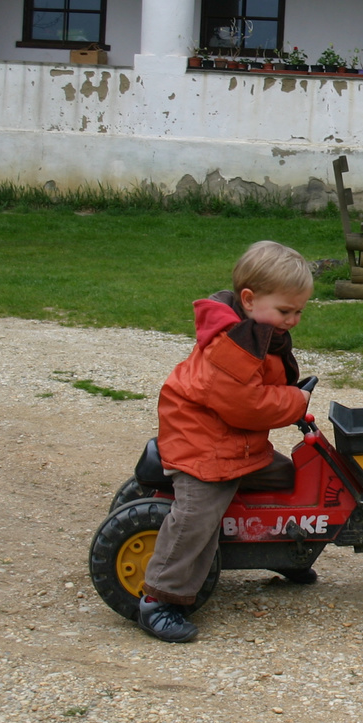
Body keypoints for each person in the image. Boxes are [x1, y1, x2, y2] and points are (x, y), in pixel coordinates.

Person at [137, 240, 314, 643]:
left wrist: (288, 395)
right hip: (204, 445)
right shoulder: (231, 344)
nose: (294, 320)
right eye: (287, 311)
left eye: (299, 311)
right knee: (198, 516)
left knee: (291, 482)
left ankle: (283, 549)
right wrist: (294, 400)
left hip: (235, 443)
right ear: (249, 300)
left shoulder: (257, 332)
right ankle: (161, 598)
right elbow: (246, 405)